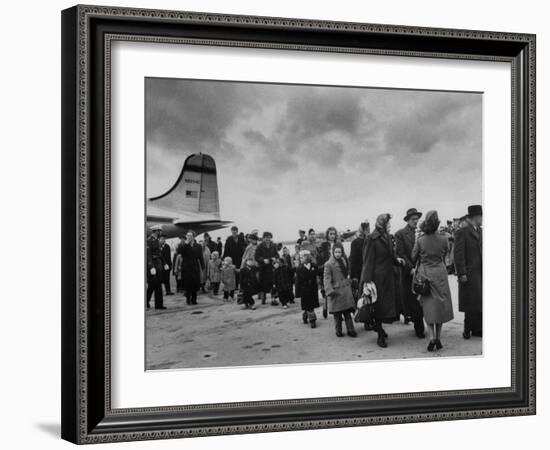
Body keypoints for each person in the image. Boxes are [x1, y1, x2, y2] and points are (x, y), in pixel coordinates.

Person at [360, 214, 405, 348]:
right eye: (388, 224)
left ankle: (379, 329)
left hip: (389, 277)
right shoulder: (371, 239)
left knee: (385, 306)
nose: (390, 226)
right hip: (377, 278)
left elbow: (391, 255)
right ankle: (380, 334)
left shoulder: (388, 237)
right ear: (382, 224)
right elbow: (367, 260)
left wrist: (398, 260)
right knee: (377, 306)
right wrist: (367, 281)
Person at [412, 210, 454, 351]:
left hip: (426, 275)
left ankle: (431, 337)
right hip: (440, 274)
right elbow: (446, 252)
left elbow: (413, 256)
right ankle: (439, 338)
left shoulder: (421, 240)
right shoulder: (444, 239)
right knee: (440, 306)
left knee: (429, 307)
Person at [395, 208, 426, 337]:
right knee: (413, 300)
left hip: (423, 270)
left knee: (423, 297)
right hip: (410, 272)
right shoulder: (400, 234)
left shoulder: (422, 233)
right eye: (413, 219)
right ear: (407, 220)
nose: (415, 221)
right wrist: (410, 268)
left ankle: (420, 322)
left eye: (417, 219)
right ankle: (418, 325)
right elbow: (400, 253)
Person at [454, 204, 483, 339]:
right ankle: (467, 329)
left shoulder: (480, 231)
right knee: (470, 302)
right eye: (481, 216)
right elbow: (458, 255)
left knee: (479, 301)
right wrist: (462, 273)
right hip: (469, 272)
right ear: (475, 217)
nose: (482, 219)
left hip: (480, 272)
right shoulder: (462, 232)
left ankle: (478, 328)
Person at [324, 243, 357, 337]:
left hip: (345, 291)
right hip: (336, 292)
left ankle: (351, 330)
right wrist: (329, 290)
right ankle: (338, 330)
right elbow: (326, 279)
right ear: (332, 252)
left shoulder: (344, 261)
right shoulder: (328, 264)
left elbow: (347, 272)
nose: (338, 254)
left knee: (347, 313)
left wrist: (349, 280)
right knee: (337, 315)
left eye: (339, 252)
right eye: (336, 252)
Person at [296, 251, 319, 328]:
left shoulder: (314, 266)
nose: (300, 259)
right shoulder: (299, 268)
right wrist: (297, 292)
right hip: (304, 290)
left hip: (312, 289)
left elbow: (318, 272)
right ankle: (312, 320)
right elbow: (297, 281)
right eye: (300, 257)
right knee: (308, 306)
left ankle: (305, 315)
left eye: (302, 257)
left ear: (307, 258)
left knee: (310, 306)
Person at [255, 231, 279, 305]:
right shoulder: (259, 246)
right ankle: (263, 298)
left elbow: (277, 255)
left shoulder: (274, 245)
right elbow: (256, 257)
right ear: (263, 238)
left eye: (269, 237)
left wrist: (275, 258)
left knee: (273, 283)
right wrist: (263, 260)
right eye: (266, 237)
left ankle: (273, 299)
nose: (268, 239)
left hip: (271, 267)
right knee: (263, 283)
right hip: (263, 268)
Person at [180, 230, 204, 305]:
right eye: (187, 235)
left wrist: (203, 266)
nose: (188, 237)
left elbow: (200, 256)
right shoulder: (183, 245)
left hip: (195, 266)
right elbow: (180, 252)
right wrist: (186, 244)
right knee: (187, 284)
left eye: (190, 235)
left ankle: (194, 299)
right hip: (186, 267)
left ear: (193, 237)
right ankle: (188, 299)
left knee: (194, 283)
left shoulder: (198, 246)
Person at [146, 226, 166, 309]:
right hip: (153, 266)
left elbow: (159, 254)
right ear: (156, 231)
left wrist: (164, 263)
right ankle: (156, 304)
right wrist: (151, 267)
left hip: (158, 265)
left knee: (155, 286)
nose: (160, 233)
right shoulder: (149, 241)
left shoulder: (157, 241)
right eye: (159, 231)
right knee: (154, 286)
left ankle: (156, 304)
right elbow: (148, 254)